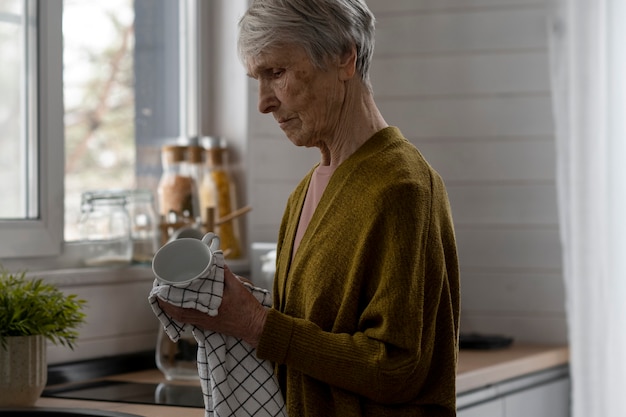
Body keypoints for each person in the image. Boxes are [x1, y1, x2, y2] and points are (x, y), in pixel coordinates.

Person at [157, 0, 461, 415]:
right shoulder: (304, 192)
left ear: (344, 57)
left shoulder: (402, 186)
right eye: (256, 79)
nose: (264, 102)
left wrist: (255, 323)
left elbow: (398, 368)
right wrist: (238, 308)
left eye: (276, 73)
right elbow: (310, 335)